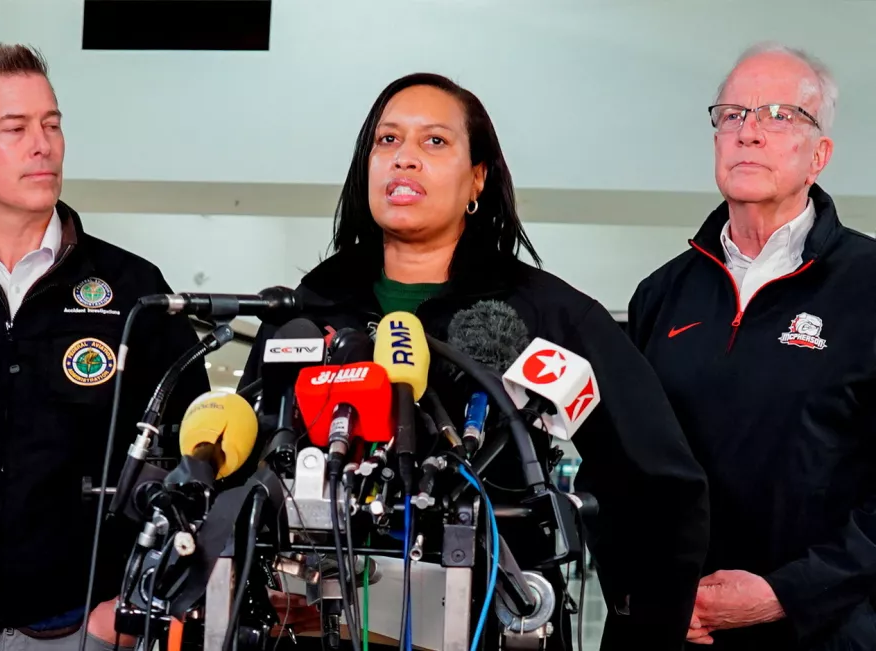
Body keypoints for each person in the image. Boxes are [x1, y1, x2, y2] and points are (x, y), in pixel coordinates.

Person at [241, 72, 710, 650]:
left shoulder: (547, 314)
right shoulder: (310, 310)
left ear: (477, 179)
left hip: (492, 624)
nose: (404, 159)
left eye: (434, 142)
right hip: (319, 629)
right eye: (387, 141)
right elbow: (243, 470)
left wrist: (644, 629)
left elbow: (657, 486)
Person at [0, 43, 208, 651]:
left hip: (87, 627)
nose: (43, 144)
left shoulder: (135, 293)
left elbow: (199, 461)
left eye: (52, 125)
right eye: (15, 127)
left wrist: (136, 605)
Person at [628, 43, 876, 650]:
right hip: (678, 630)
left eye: (778, 115)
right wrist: (650, 591)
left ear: (819, 155)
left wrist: (784, 594)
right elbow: (622, 469)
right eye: (732, 114)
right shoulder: (660, 295)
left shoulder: (868, 285)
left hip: (825, 632)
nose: (749, 133)